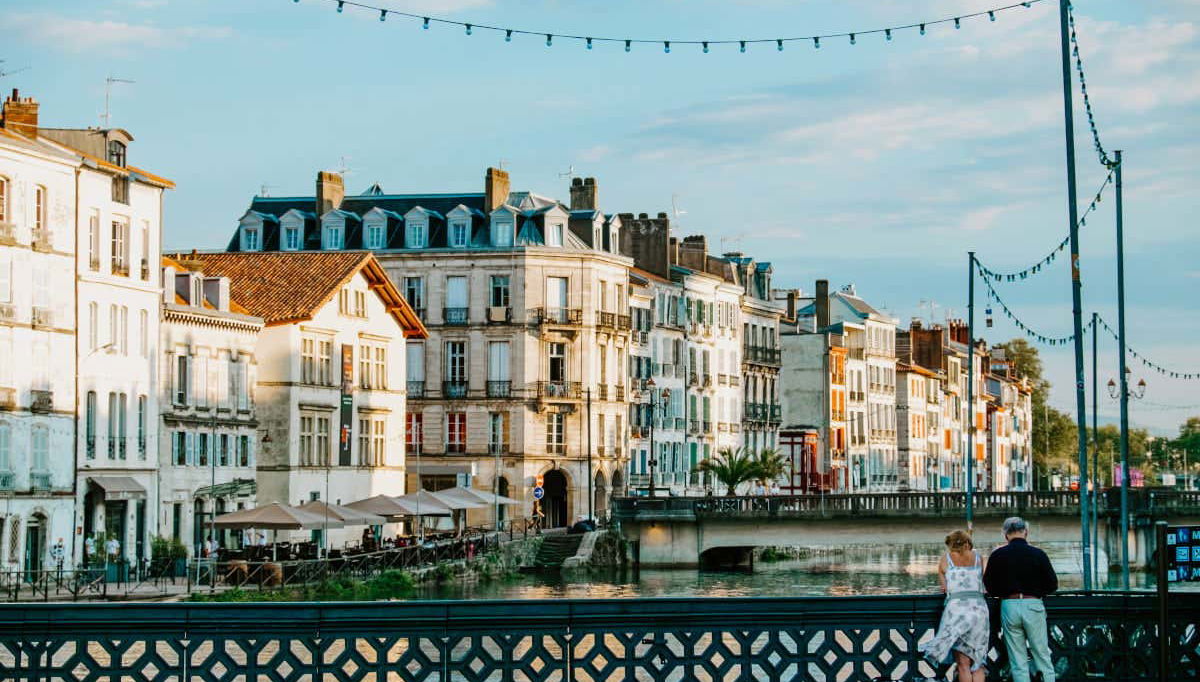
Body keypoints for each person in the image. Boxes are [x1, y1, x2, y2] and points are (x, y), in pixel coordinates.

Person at [983, 517, 1058, 682]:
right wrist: (1036, 592)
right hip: (1033, 604)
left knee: (1017, 658)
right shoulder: (1038, 554)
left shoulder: (997, 555)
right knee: (1042, 653)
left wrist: (1004, 593)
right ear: (1026, 532)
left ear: (1005, 534)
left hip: (1009, 605)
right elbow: (1052, 584)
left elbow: (988, 584)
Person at [919, 530, 990, 682]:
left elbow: (944, 589)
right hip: (979, 610)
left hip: (956, 612)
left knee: (963, 664)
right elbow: (985, 585)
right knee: (978, 663)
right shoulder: (979, 558)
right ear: (967, 543)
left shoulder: (946, 560)